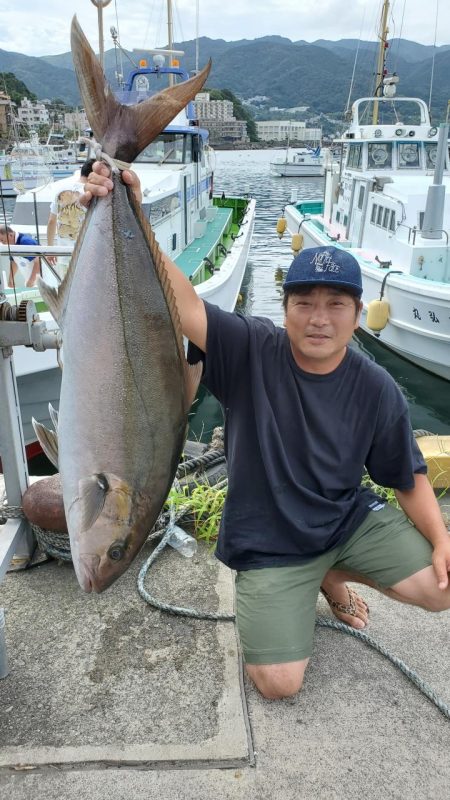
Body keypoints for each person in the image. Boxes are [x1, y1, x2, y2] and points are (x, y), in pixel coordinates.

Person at [84, 163, 450, 701]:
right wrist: (133, 209)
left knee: (442, 589)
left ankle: (332, 575)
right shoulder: (250, 348)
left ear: (358, 314)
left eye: (336, 305)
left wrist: (442, 541)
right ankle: (314, 580)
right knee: (278, 685)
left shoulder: (376, 389)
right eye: (304, 303)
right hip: (269, 542)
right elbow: (181, 302)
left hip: (343, 523)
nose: (318, 318)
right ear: (285, 308)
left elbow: (407, 478)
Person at [46, 158, 96, 271]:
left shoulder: (60, 190)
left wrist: (50, 249)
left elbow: (51, 221)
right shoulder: (91, 194)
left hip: (63, 254)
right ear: (93, 175)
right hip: (85, 255)